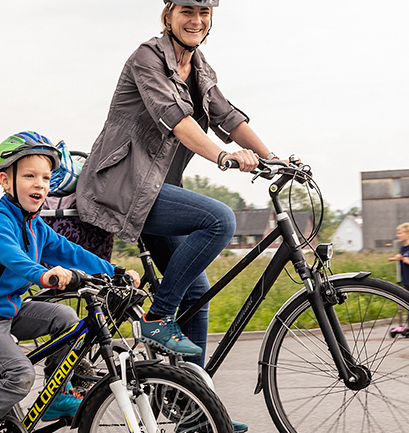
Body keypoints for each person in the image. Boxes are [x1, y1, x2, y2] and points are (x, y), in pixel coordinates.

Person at [78, 0, 277, 367]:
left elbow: (228, 117)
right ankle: (158, 317)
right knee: (220, 220)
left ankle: (193, 409)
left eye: (204, 13)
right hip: (125, 185)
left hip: (158, 189)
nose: (196, 20)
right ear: (168, 15)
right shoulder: (147, 58)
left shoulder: (199, 68)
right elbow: (177, 119)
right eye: (187, 11)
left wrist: (272, 158)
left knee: (197, 291)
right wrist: (223, 156)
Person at [0, 131, 140, 433]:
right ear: (6, 181)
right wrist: (43, 274)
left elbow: (71, 252)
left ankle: (57, 397)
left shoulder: (36, 224)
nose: (40, 184)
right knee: (20, 375)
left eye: (46, 178)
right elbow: (11, 256)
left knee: (69, 320)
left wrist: (116, 272)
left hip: (9, 310)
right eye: (30, 176)